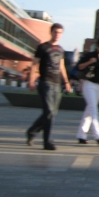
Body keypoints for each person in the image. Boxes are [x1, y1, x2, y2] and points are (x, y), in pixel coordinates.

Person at [26, 23, 73, 151]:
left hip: (57, 84)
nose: (57, 35)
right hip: (45, 82)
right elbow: (34, 65)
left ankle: (31, 132)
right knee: (49, 112)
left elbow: (62, 67)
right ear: (51, 32)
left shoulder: (61, 50)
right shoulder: (42, 47)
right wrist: (31, 81)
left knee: (51, 113)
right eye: (55, 32)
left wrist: (67, 82)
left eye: (59, 33)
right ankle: (47, 142)